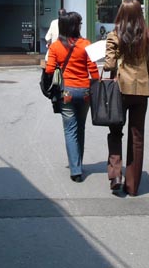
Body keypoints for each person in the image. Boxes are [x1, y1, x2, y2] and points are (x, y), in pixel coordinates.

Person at [103, 0, 149, 196]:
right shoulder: (148, 37)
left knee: (115, 131)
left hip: (119, 90)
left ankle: (116, 175)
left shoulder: (114, 35)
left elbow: (109, 65)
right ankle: (133, 186)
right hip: (141, 90)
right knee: (137, 137)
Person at [46, 11, 99, 183]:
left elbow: (48, 70)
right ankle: (79, 163)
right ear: (76, 26)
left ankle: (75, 170)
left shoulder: (55, 46)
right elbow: (94, 71)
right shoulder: (86, 44)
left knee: (70, 130)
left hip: (66, 92)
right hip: (84, 91)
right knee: (81, 128)